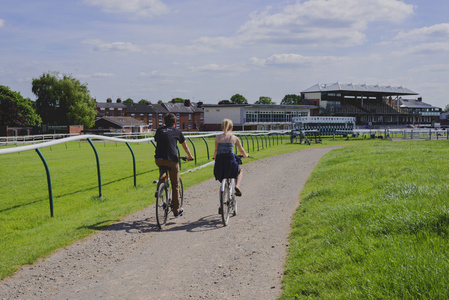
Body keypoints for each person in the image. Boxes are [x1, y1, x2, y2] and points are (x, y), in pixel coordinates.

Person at [154, 113, 194, 217]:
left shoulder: (159, 130)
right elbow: (184, 146)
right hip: (171, 160)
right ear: (175, 123)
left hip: (158, 159)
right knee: (175, 184)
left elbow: (158, 140)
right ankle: (176, 211)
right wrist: (190, 156)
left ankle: (159, 189)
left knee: (163, 170)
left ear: (164, 122)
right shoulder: (177, 131)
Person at [213, 119, 248, 211]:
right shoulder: (234, 138)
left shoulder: (217, 138)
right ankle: (237, 185)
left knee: (222, 184)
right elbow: (241, 150)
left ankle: (221, 205)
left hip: (220, 163)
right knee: (239, 171)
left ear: (222, 127)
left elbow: (216, 150)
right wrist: (245, 155)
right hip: (230, 162)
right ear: (231, 128)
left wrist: (214, 157)